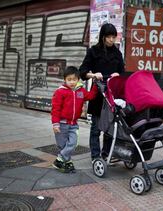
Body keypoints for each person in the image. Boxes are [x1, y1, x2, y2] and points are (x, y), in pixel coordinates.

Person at [79, 23, 125, 162]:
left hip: (112, 95)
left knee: (110, 128)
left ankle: (106, 154)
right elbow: (82, 72)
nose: (112, 40)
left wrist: (118, 74)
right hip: (98, 94)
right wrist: (94, 75)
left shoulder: (117, 53)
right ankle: (95, 156)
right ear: (103, 37)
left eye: (113, 37)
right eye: (109, 37)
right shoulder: (93, 51)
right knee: (96, 128)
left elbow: (122, 72)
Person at [51, 66, 98, 173]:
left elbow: (90, 96)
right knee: (62, 145)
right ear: (65, 80)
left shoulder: (80, 90)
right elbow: (55, 109)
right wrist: (55, 124)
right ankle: (66, 162)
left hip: (73, 124)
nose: (72, 82)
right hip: (61, 124)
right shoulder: (60, 92)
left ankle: (59, 159)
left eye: (74, 79)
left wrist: (95, 85)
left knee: (73, 143)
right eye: (69, 79)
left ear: (78, 79)